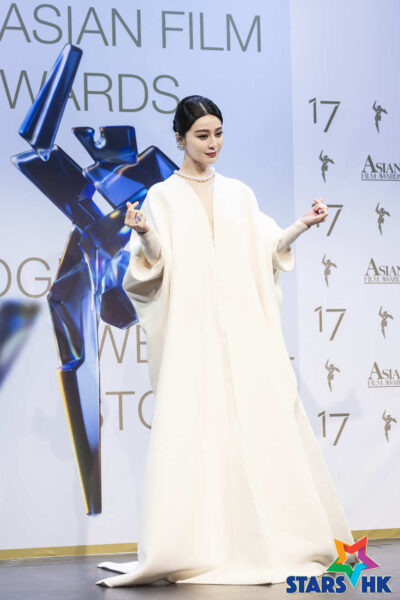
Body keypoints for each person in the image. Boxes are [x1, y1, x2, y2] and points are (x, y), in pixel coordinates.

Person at [96, 95, 355, 587]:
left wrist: (301, 225)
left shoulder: (239, 193)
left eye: (217, 133)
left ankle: (273, 538)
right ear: (180, 138)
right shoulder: (162, 197)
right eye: (202, 135)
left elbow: (267, 248)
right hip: (192, 331)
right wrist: (145, 233)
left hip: (244, 329)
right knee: (199, 429)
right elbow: (153, 265)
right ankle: (200, 544)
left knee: (260, 423)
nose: (212, 143)